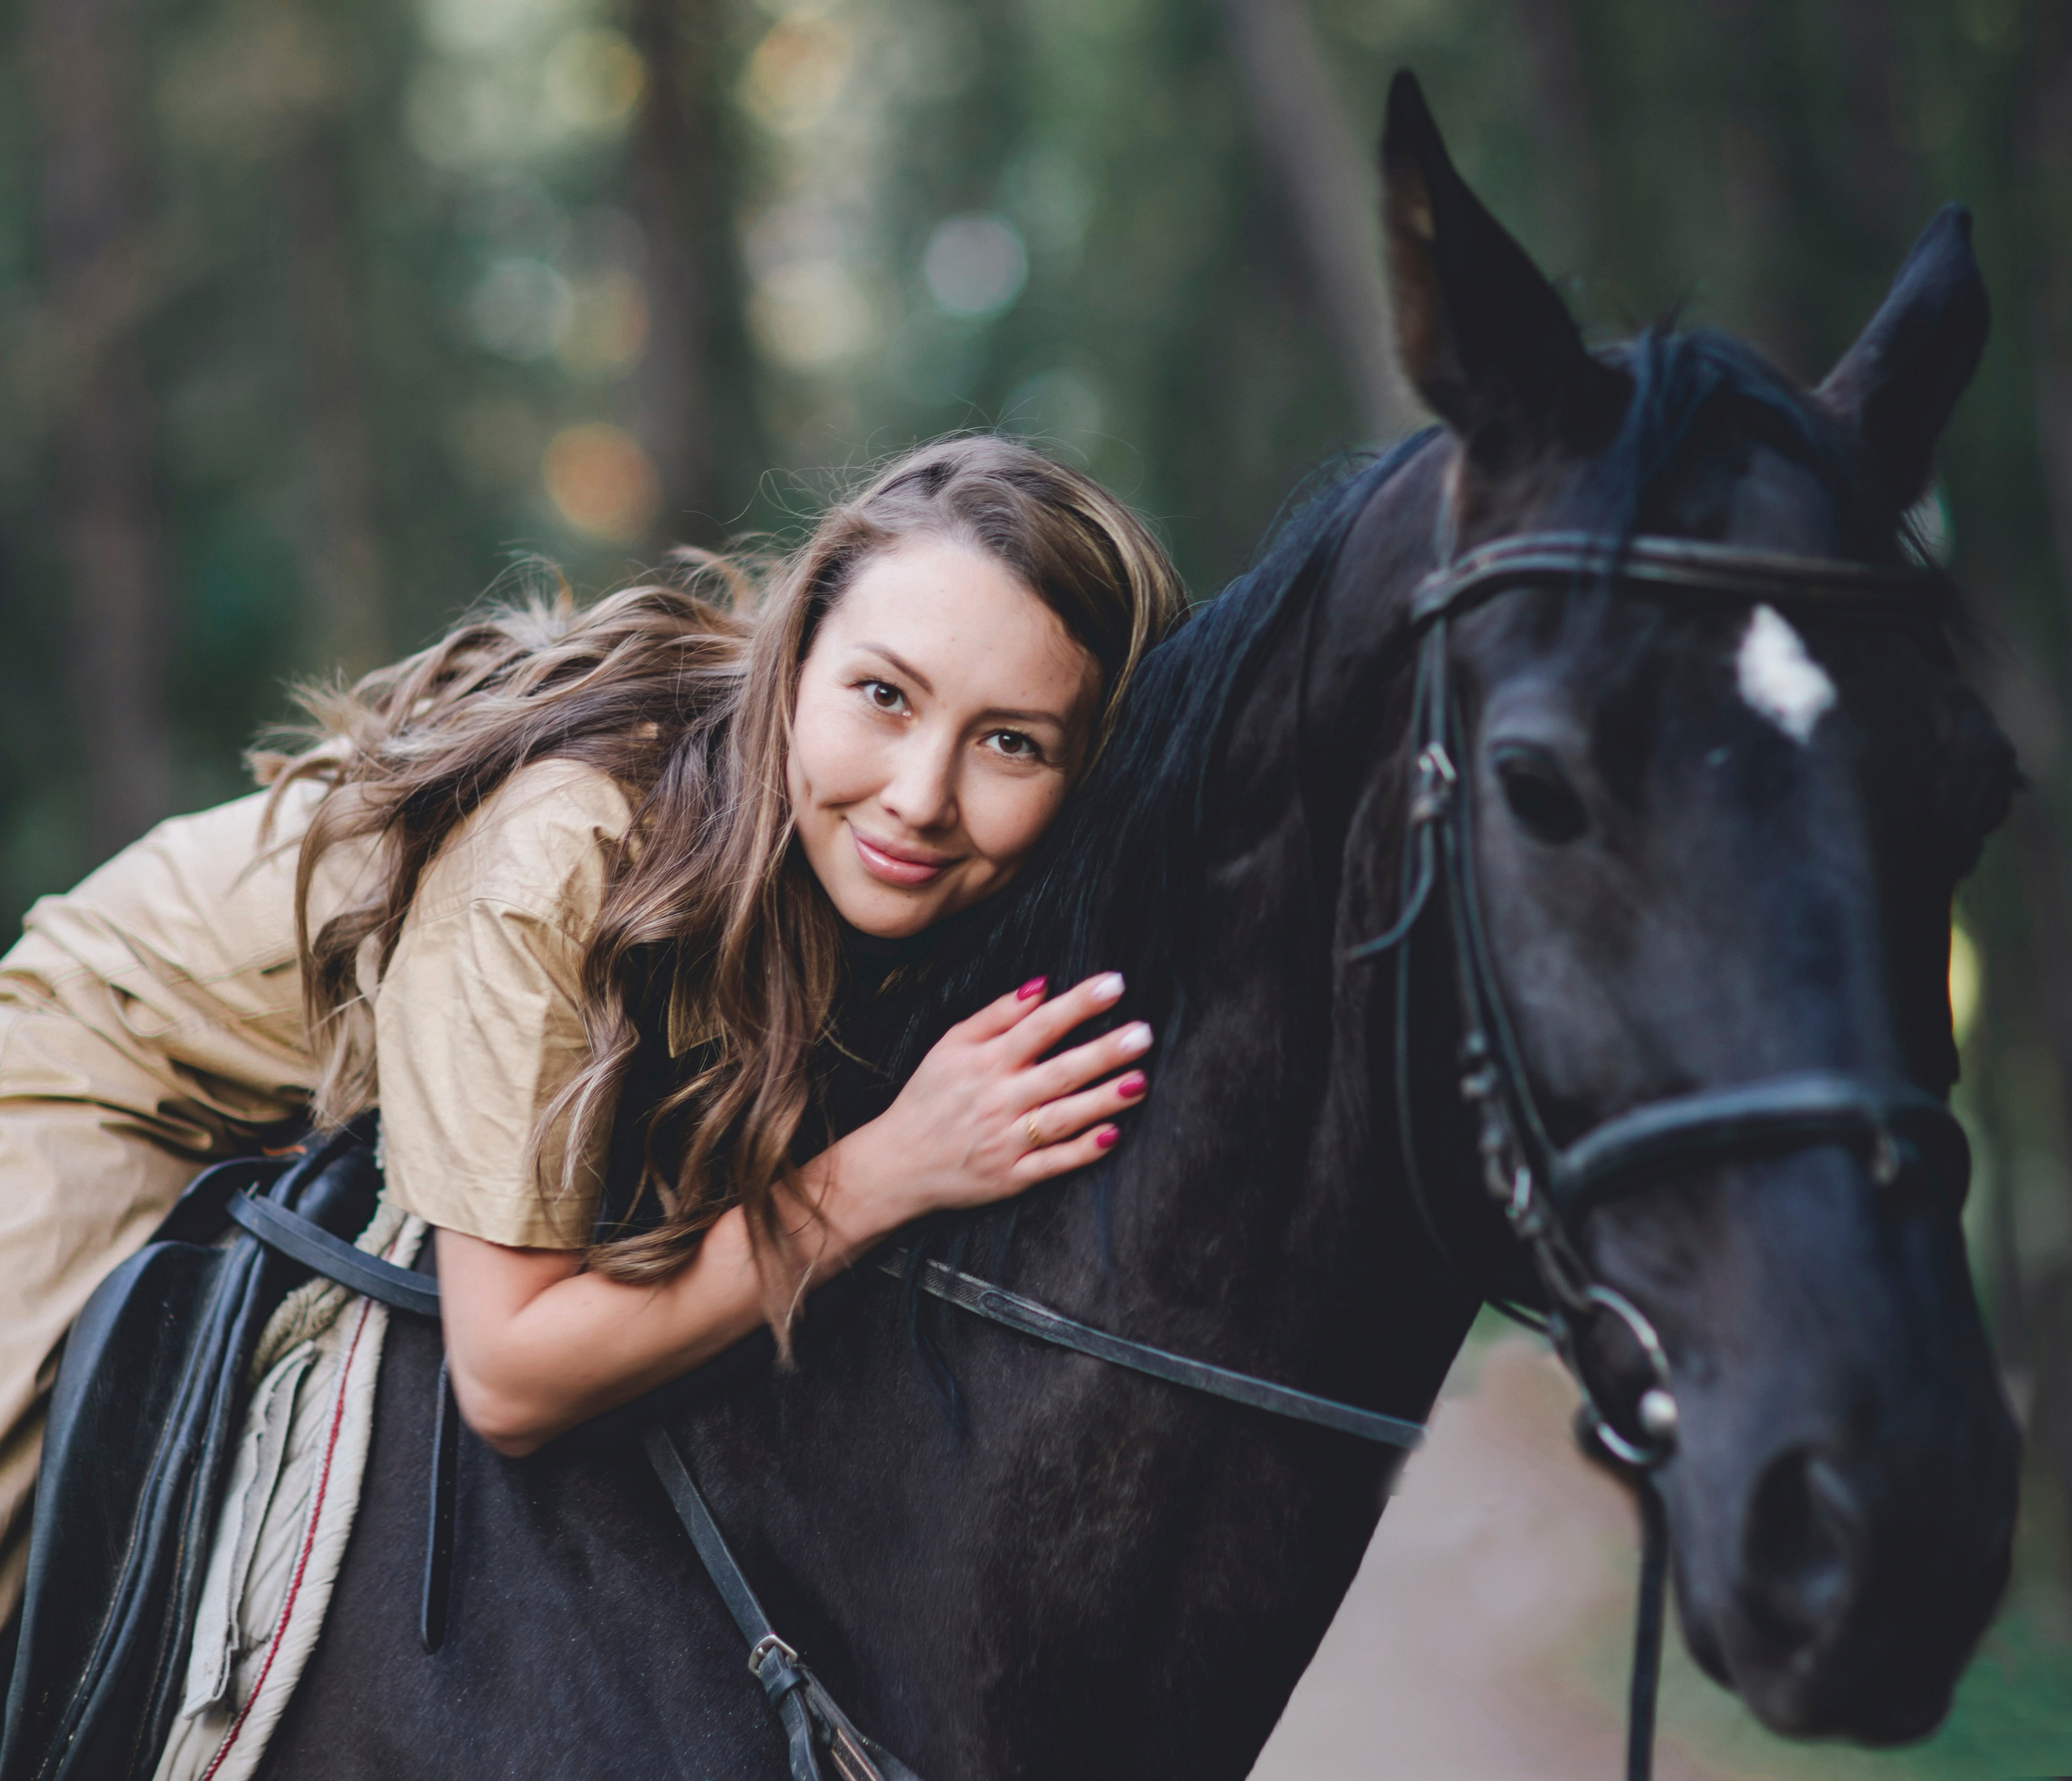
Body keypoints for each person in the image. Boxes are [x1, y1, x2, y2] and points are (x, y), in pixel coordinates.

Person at [0, 435, 1188, 1620]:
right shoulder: (564, 848)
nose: (922, 796)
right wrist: (885, 1171)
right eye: (884, 695)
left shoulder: (925, 882)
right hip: (114, 1061)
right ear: (795, 661)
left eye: (1010, 742)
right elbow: (509, 1374)